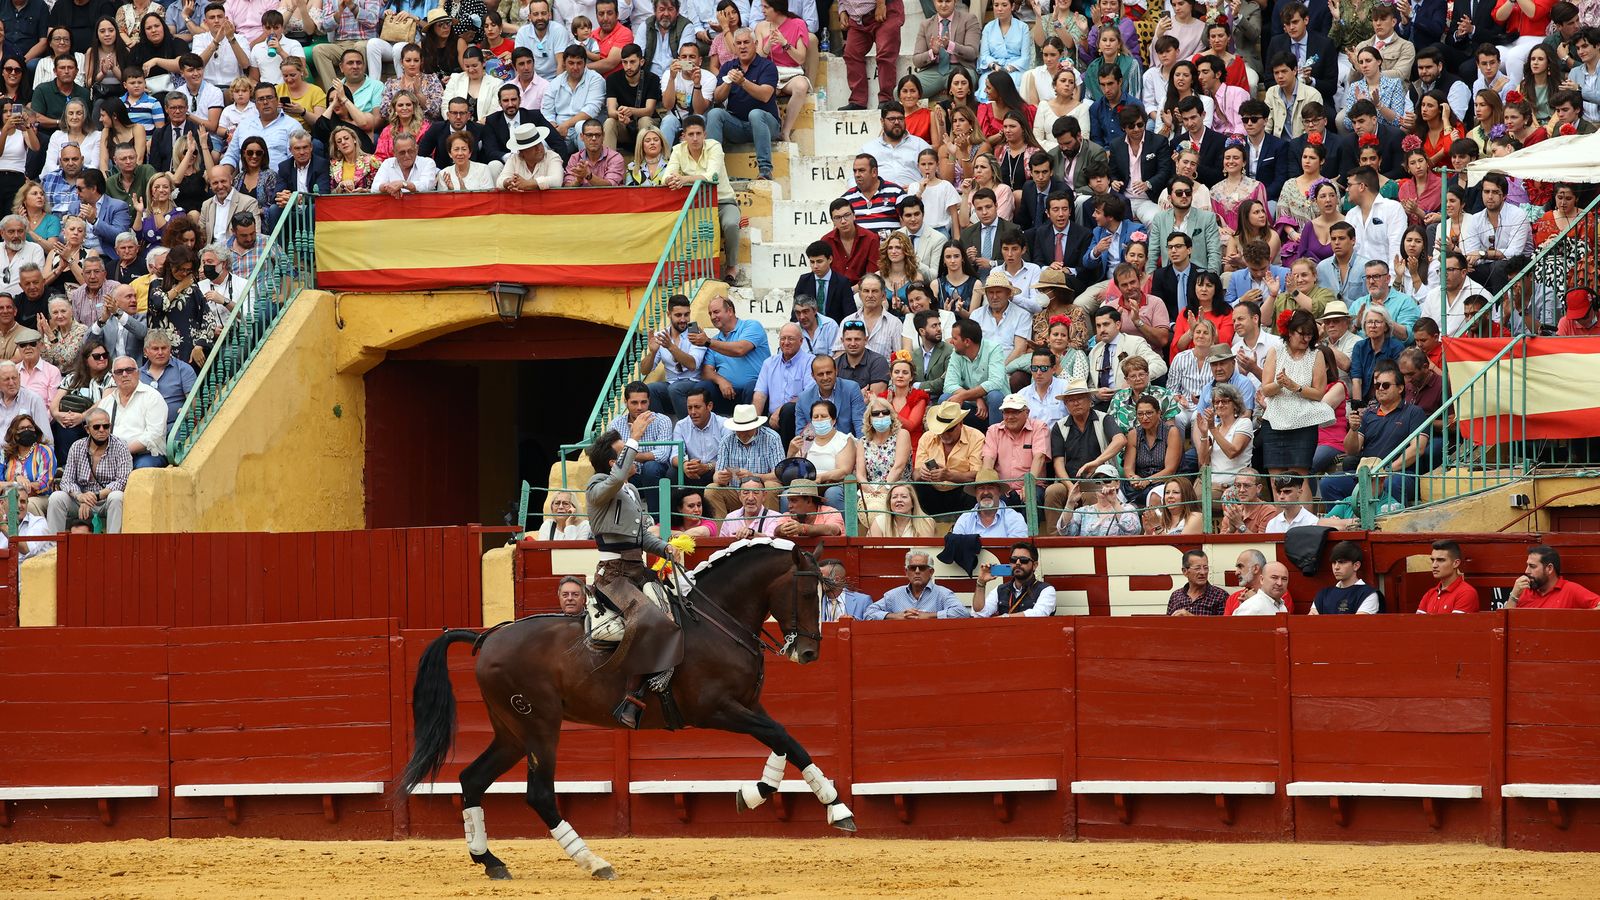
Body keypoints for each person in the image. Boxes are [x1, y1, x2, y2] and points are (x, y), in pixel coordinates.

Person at [583, 417, 685, 729]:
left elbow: (641, 538)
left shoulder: (628, 490)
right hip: (613, 575)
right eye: (627, 453)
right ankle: (630, 699)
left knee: (676, 610)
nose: (636, 457)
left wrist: (666, 548)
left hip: (637, 570)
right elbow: (613, 481)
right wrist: (634, 436)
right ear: (614, 462)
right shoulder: (598, 486)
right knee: (646, 619)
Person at [706, 28, 778, 181]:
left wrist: (743, 82)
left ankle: (765, 171)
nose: (742, 46)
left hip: (766, 125)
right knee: (714, 114)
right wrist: (728, 82)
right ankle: (713, 170)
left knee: (755, 114)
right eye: (738, 43)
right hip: (738, 126)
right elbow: (717, 98)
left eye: (746, 42)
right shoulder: (728, 67)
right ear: (734, 46)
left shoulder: (767, 66)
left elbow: (765, 96)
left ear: (755, 44)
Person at [45, 405, 129, 533]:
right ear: (87, 429)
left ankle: (113, 543)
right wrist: (80, 496)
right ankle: (53, 544)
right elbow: (66, 481)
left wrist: (95, 496)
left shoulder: (121, 446)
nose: (102, 430)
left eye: (106, 426)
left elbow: (122, 481)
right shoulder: (77, 446)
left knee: (117, 496)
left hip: (106, 499)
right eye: (96, 427)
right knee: (56, 498)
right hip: (80, 499)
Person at [912, 399, 985, 517]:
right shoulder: (927, 437)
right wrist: (922, 473)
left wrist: (949, 476)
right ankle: (922, 523)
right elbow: (916, 474)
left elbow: (978, 475)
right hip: (932, 492)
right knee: (915, 486)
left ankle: (966, 523)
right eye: (940, 430)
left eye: (949, 429)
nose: (944, 434)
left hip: (961, 492)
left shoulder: (976, 437)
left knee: (973, 488)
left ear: (961, 423)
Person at [864, 549, 973, 619]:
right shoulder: (894, 595)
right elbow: (868, 613)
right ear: (906, 572)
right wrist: (895, 616)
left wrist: (929, 616)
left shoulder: (942, 594)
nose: (917, 571)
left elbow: (963, 613)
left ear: (931, 572)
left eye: (922, 568)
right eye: (912, 568)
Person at [971, 540, 1055, 617]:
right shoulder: (1000, 590)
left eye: (1023, 560)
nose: (1018, 563)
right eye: (1014, 559)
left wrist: (1005, 617)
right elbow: (979, 614)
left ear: (1035, 565)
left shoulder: (1046, 590)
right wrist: (981, 583)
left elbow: (1039, 613)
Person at [1506, 544, 1600, 609]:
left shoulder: (1570, 589)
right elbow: (1503, 623)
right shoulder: (1524, 590)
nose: (1526, 571)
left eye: (1532, 566)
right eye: (1527, 565)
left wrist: (1578, 621)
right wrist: (1514, 595)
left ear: (1549, 568)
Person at [1309, 540, 1383, 614]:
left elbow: (1358, 621)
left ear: (1356, 566)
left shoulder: (1367, 594)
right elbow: (1311, 620)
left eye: (1341, 562)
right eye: (1334, 562)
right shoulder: (1323, 594)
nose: (1336, 567)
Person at [951, 469, 1027, 537]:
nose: (986, 492)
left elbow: (1018, 548)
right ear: (975, 493)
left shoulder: (1014, 518)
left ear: (999, 492)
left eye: (991, 487)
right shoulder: (964, 520)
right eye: (981, 488)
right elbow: (955, 546)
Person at [1416, 539, 1479, 614]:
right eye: (1433, 560)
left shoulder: (1466, 593)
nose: (1434, 565)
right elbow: (1417, 621)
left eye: (1440, 560)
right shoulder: (1430, 594)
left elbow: (1455, 622)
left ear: (1456, 563)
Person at [1166, 548, 1226, 616]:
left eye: (1205, 568)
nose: (1203, 572)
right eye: (1197, 568)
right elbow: (1167, 622)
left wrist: (1191, 617)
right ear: (1185, 571)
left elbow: (1224, 623)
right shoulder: (1176, 596)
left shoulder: (1220, 596)